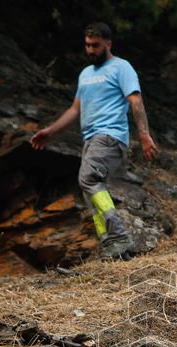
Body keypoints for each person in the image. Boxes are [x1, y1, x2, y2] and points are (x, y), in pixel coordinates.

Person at [30, 22, 159, 260]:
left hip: (110, 136)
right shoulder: (85, 74)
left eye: (96, 45)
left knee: (88, 178)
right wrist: (50, 131)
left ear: (108, 44)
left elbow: (136, 101)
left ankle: (119, 236)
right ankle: (111, 246)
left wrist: (144, 135)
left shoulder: (122, 67)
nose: (91, 50)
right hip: (90, 139)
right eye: (88, 45)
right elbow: (75, 109)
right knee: (90, 190)